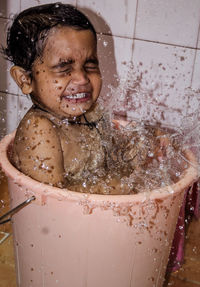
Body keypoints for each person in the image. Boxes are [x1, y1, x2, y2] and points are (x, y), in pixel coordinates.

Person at [3, 2, 169, 193]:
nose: (82, 78)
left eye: (90, 65)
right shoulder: (40, 131)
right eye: (64, 67)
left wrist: (146, 143)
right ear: (25, 80)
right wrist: (121, 187)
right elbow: (52, 200)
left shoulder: (91, 113)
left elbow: (113, 152)